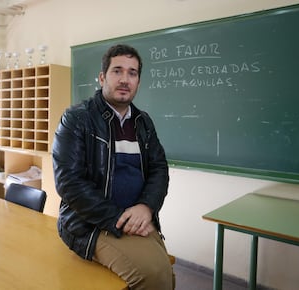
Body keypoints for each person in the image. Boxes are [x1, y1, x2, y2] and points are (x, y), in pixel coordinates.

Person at [52, 44, 174, 290]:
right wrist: (119, 218)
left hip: (135, 217)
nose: (125, 79)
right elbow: (69, 182)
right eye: (117, 71)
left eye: (132, 73)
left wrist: (146, 207)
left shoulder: (143, 122)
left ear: (138, 81)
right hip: (90, 224)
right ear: (102, 77)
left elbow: (159, 169)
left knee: (166, 273)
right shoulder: (77, 118)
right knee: (156, 275)